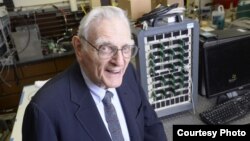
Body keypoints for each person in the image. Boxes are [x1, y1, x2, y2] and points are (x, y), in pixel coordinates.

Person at [22, 6, 167, 141]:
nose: (120, 62)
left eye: (126, 48)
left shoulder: (128, 73)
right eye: (105, 48)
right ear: (79, 48)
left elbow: (151, 127)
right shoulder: (44, 111)